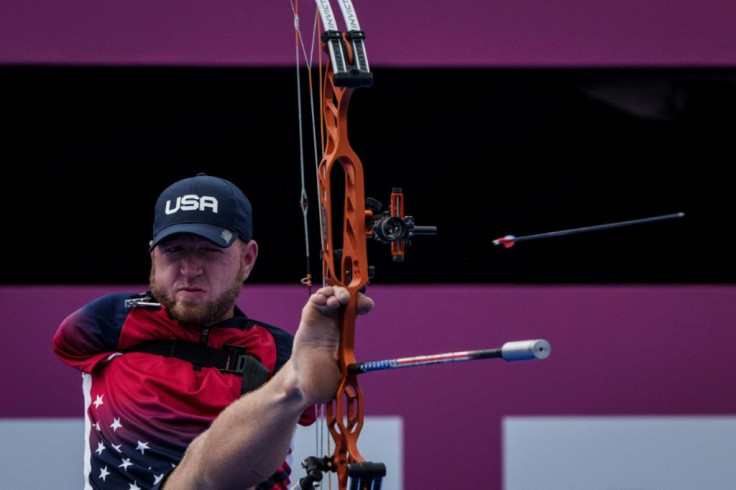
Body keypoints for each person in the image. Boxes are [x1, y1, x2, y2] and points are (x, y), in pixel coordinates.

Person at [52, 173, 374, 489]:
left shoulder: (278, 350)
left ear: (247, 259)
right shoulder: (110, 322)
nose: (190, 270)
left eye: (209, 251)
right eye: (174, 250)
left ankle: (290, 389)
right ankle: (290, 388)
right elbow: (66, 343)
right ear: (153, 255)